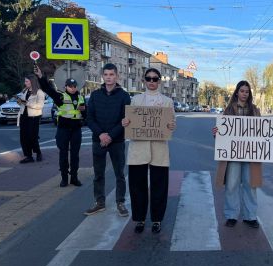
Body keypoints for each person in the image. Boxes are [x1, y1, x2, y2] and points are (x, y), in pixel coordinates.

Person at [122, 68, 176, 234]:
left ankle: (157, 219)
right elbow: (131, 121)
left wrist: (171, 126)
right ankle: (140, 219)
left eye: (155, 79)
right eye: (149, 79)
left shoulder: (167, 101)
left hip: (159, 149)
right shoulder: (136, 100)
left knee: (159, 186)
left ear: (159, 81)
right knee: (137, 186)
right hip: (138, 148)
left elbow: (171, 123)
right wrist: (126, 122)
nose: (152, 82)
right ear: (144, 81)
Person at [213, 80, 262, 228]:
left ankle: (250, 216)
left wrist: (272, 133)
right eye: (242, 91)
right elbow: (222, 130)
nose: (244, 94)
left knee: (250, 183)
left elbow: (262, 130)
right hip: (233, 154)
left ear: (249, 94)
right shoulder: (228, 110)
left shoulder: (254, 110)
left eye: (247, 91)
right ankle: (231, 215)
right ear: (237, 92)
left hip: (250, 154)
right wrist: (217, 132)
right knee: (232, 184)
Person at [84, 63, 131, 217]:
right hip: (98, 140)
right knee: (98, 174)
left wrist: (110, 136)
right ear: (102, 77)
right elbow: (89, 118)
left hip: (117, 141)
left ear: (117, 76)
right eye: (106, 74)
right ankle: (99, 202)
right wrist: (101, 135)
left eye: (112, 74)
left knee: (120, 174)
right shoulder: (95, 95)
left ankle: (120, 202)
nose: (109, 77)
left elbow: (126, 120)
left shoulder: (124, 96)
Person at [34, 65, 85, 187]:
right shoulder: (60, 97)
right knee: (63, 154)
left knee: (75, 155)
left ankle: (74, 177)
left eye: (74, 86)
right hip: (64, 129)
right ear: (66, 87)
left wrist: (84, 111)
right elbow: (48, 89)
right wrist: (40, 76)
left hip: (76, 129)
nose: (72, 88)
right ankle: (64, 178)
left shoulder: (81, 97)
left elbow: (85, 114)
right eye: (70, 86)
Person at [17, 75, 45, 163]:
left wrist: (27, 103)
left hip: (33, 117)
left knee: (32, 137)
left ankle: (38, 152)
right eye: (25, 81)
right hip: (23, 116)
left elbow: (40, 106)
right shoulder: (24, 91)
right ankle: (28, 156)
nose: (25, 83)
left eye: (27, 81)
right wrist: (19, 102)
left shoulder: (39, 92)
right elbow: (22, 103)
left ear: (32, 82)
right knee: (23, 137)